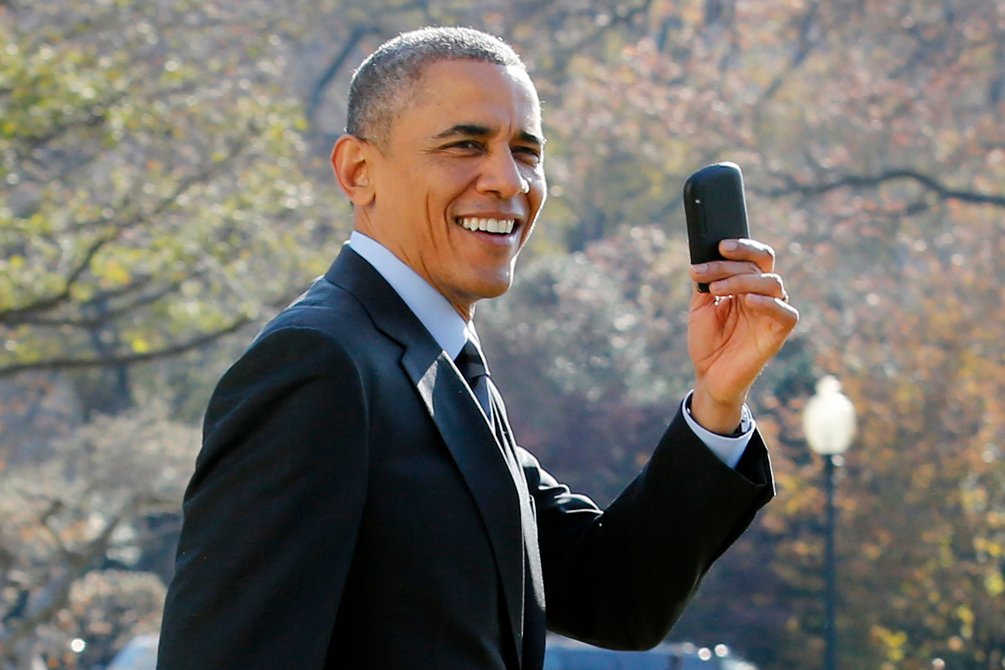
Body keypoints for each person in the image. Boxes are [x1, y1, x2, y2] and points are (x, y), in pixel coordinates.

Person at [157, 26, 798, 670]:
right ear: (358, 171)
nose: (508, 180)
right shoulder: (318, 365)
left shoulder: (436, 365)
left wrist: (719, 398)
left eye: (526, 150)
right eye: (465, 144)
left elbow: (613, 596)